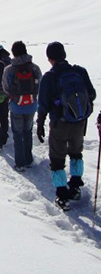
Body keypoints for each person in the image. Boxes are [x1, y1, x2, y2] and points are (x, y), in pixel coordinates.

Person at [37, 42, 96, 211]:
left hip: (59, 124)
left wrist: (40, 123)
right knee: (76, 154)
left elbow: (43, 104)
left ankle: (62, 195)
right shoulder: (80, 71)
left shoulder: (50, 77)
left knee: (57, 160)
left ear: (50, 59)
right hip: (79, 121)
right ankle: (76, 187)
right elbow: (92, 94)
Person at [2, 41, 42, 171]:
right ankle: (28, 159)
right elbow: (40, 86)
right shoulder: (35, 68)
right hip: (31, 105)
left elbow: (5, 87)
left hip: (16, 106)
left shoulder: (9, 69)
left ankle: (20, 163)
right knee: (28, 131)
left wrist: (13, 97)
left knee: (17, 134)